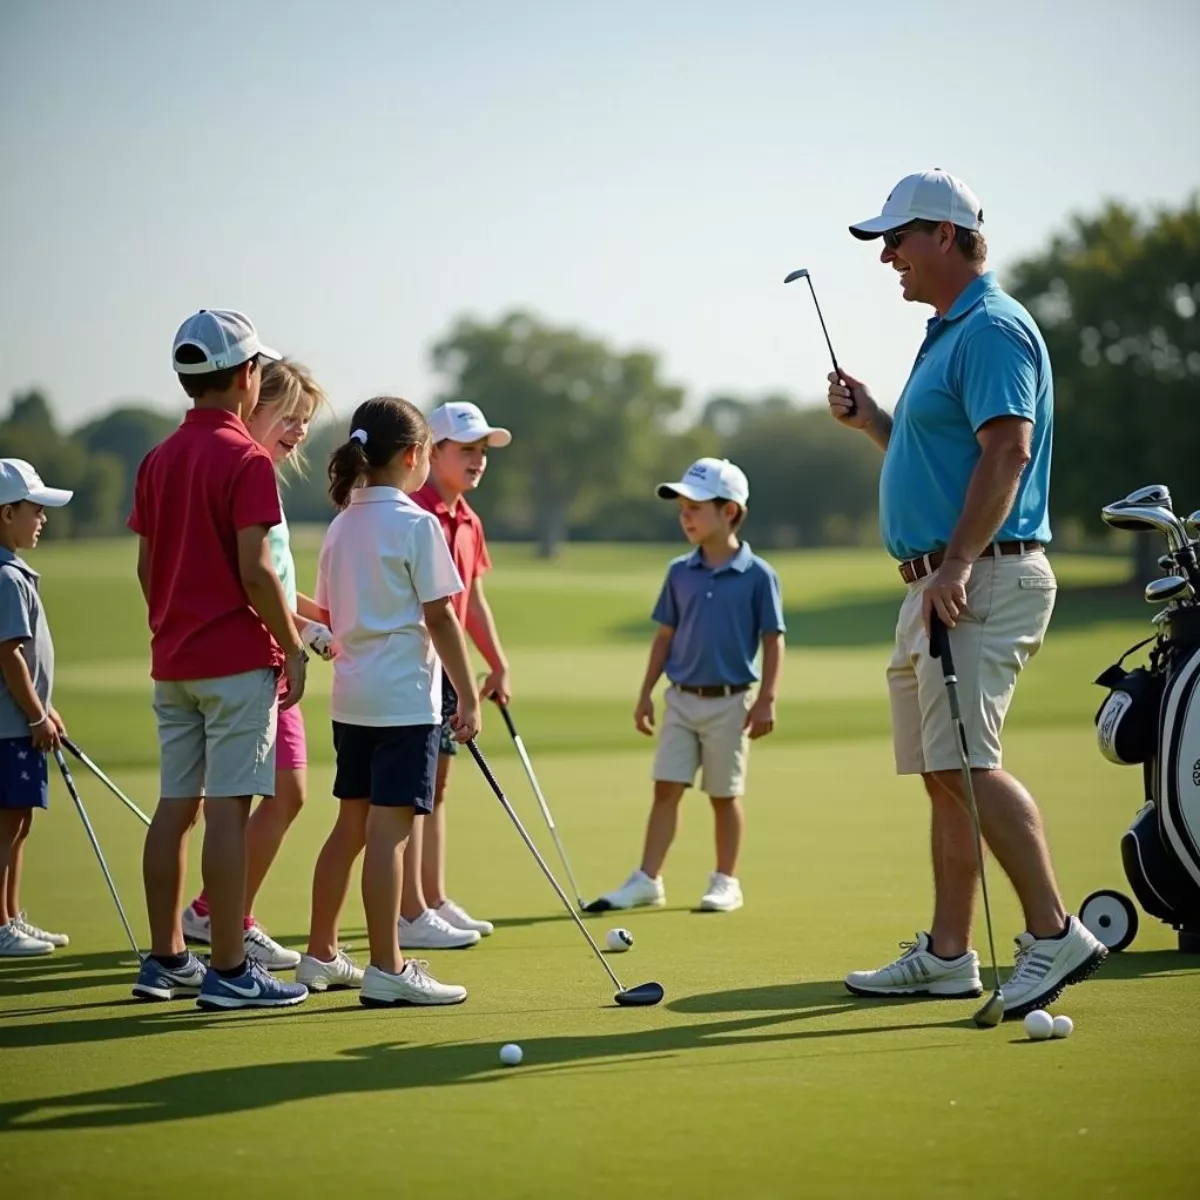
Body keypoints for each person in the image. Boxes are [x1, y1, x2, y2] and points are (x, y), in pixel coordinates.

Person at [827, 169, 1107, 1017]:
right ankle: (950, 955)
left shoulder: (990, 328)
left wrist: (952, 567)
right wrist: (874, 420)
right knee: (943, 775)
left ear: (944, 236)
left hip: (978, 576)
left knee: (965, 764)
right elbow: (948, 458)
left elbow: (1007, 453)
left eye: (898, 241)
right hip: (943, 580)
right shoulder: (948, 333)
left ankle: (1054, 932)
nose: (888, 261)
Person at [128, 308, 309, 1010]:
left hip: (173, 662)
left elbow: (147, 568)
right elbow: (258, 571)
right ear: (245, 376)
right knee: (230, 810)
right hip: (236, 662)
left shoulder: (158, 458)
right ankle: (230, 970)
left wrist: (177, 624)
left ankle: (166, 957)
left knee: (177, 807)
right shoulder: (244, 458)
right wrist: (292, 648)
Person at [296, 396, 480, 1006]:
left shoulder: (342, 523)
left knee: (351, 825)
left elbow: (325, 612)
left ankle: (320, 953)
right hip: (404, 702)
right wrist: (470, 695)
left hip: (351, 700)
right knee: (389, 836)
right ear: (412, 456)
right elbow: (442, 618)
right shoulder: (416, 525)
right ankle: (387, 968)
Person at [181, 358, 335, 971]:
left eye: (304, 421)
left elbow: (275, 580)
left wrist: (319, 615)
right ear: (252, 404)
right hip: (258, 660)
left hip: (270, 650)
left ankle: (213, 910)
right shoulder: (249, 475)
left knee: (286, 793)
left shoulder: (260, 475)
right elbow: (252, 581)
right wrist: (300, 637)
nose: (298, 430)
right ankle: (224, 917)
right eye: (288, 417)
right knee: (281, 794)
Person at [590, 457, 785, 914]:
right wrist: (644, 693)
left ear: (730, 511)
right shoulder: (680, 571)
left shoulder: (759, 575)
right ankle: (647, 880)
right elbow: (664, 638)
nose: (685, 515)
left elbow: (773, 641)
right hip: (680, 699)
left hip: (731, 702)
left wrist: (767, 700)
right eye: (682, 507)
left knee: (723, 795)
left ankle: (725, 881)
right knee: (665, 788)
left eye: (696, 506)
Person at [399, 400, 512, 950]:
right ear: (432, 451)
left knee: (437, 788)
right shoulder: (412, 512)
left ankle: (433, 898)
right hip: (418, 668)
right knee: (418, 791)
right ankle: (411, 910)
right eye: (466, 449)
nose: (478, 460)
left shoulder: (467, 519)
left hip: (452, 667)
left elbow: (473, 602)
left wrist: (497, 661)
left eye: (482, 451)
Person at [0, 460, 73, 957]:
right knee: (8, 821)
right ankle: (1, 925)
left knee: (19, 820)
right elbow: (9, 654)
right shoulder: (6, 576)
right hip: (9, 725)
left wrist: (46, 710)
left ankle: (11, 917)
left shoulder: (13, 571)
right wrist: (33, 714)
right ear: (6, 513)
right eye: (35, 509)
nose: (43, 518)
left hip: (20, 721)